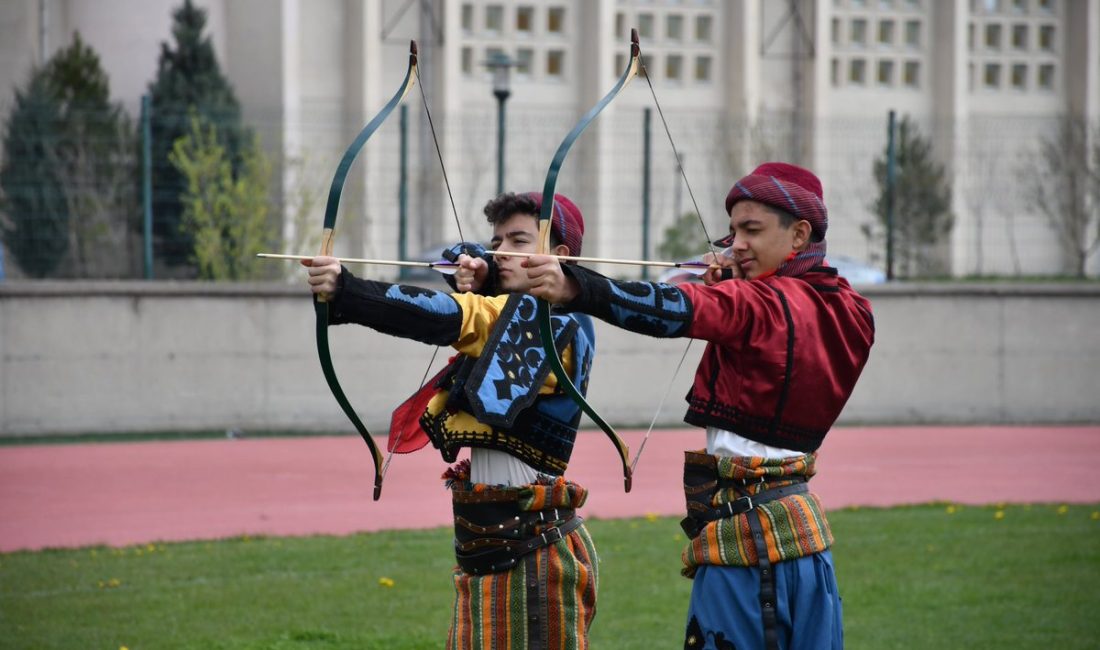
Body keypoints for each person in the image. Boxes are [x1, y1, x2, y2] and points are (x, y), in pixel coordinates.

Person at [522, 162, 875, 650]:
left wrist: (577, 287)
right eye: (732, 233)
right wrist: (729, 285)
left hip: (752, 543)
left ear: (799, 234)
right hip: (802, 536)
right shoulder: (851, 307)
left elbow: (679, 310)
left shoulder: (758, 304)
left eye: (752, 230)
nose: (737, 245)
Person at [304, 192, 601, 650]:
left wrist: (349, 290)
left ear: (558, 257)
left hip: (533, 553)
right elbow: (492, 318)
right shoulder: (530, 313)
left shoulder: (554, 323)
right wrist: (485, 279)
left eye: (519, 240)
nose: (501, 251)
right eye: (497, 240)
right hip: (498, 548)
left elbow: (458, 319)